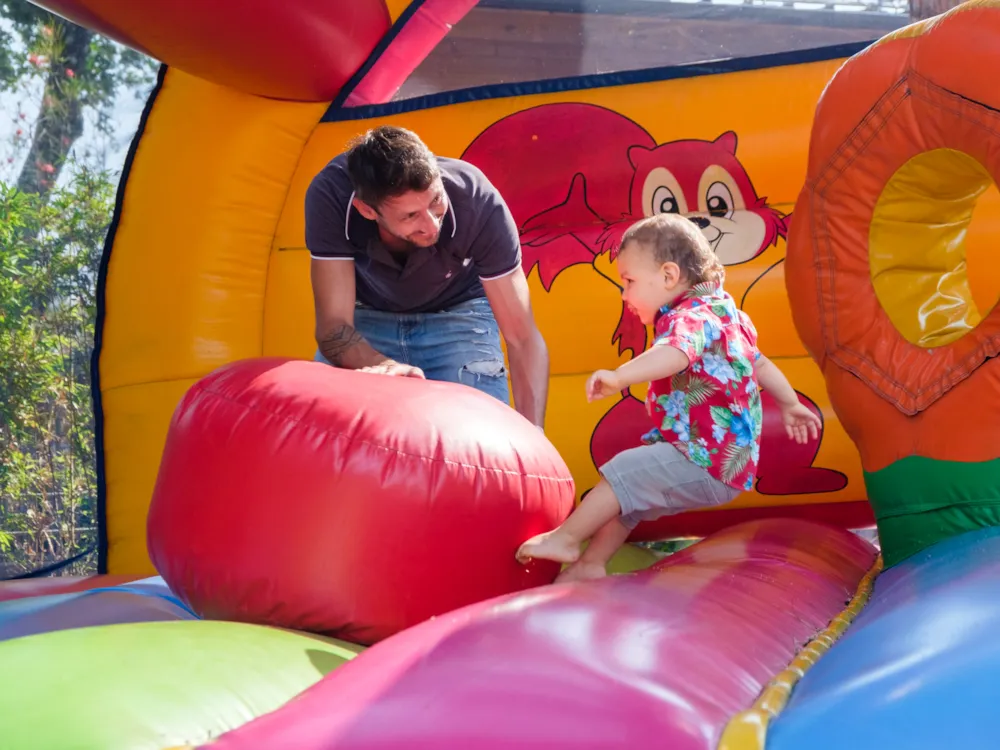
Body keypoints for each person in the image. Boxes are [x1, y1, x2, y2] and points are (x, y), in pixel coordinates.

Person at [515, 213, 822, 582]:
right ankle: (591, 564)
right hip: (718, 462)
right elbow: (760, 364)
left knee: (623, 474)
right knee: (631, 502)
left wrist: (618, 377)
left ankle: (566, 540)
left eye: (629, 281)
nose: (625, 294)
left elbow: (676, 353)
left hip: (705, 459)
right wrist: (789, 403)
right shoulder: (727, 315)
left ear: (668, 276)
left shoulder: (692, 318)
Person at [304, 125, 549, 428]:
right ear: (367, 210)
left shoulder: (476, 198)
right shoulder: (332, 195)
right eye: (410, 216)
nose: (432, 225)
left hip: (461, 315)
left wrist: (534, 438)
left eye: (435, 201)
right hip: (368, 317)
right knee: (321, 434)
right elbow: (333, 328)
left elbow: (522, 337)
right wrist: (385, 368)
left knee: (483, 437)